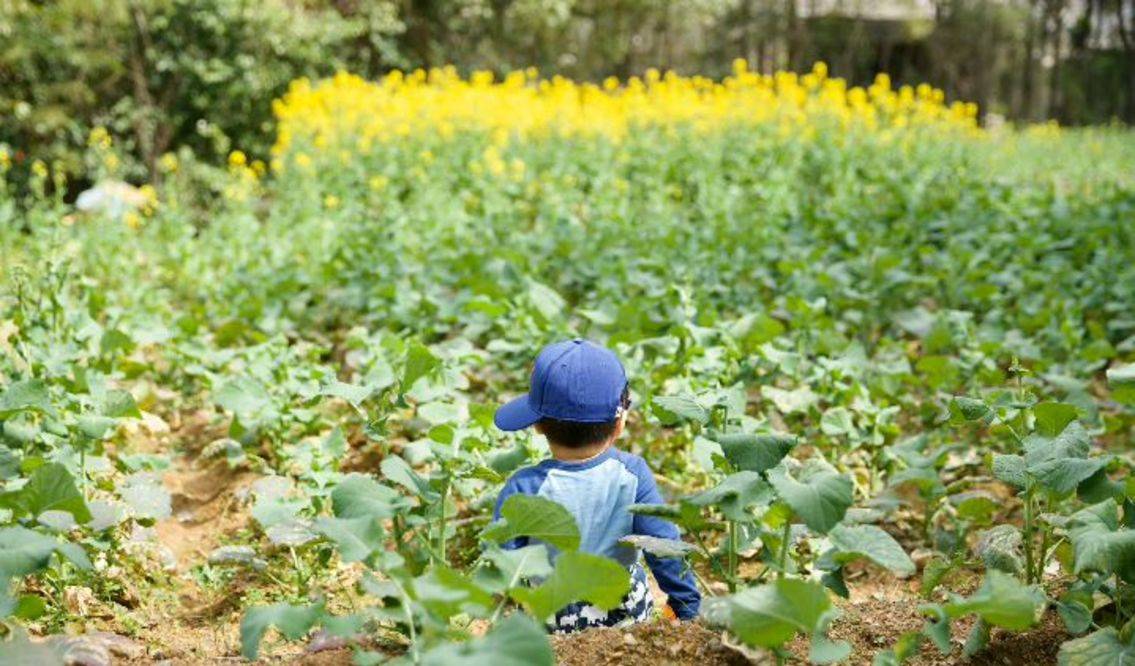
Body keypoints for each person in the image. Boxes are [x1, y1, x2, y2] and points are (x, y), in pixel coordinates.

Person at [492, 338, 701, 632]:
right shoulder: (633, 474)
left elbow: (502, 564)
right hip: (624, 616)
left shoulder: (523, 487)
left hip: (550, 619)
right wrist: (687, 607)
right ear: (619, 423)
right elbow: (663, 546)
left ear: (537, 425)